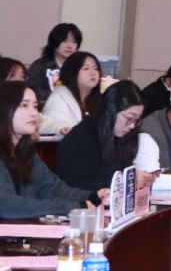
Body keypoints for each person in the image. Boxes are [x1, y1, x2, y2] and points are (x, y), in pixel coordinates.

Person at [0, 83, 101, 217]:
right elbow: (6, 205)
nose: (34, 113)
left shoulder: (26, 152)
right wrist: (73, 207)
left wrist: (93, 196)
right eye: (24, 105)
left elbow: (53, 189)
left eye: (35, 106)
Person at [56, 80, 148, 194]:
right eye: (129, 118)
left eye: (136, 120)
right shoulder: (78, 140)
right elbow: (73, 185)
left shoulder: (121, 137)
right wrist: (125, 182)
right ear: (111, 110)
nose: (132, 126)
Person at [39, 50, 102, 136]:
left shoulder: (101, 99)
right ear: (72, 72)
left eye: (96, 68)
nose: (93, 73)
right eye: (86, 68)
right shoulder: (59, 100)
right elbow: (61, 132)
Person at [24, 22, 81, 103]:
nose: (69, 46)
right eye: (65, 41)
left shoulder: (80, 66)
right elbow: (33, 90)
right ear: (54, 42)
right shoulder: (40, 66)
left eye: (74, 42)